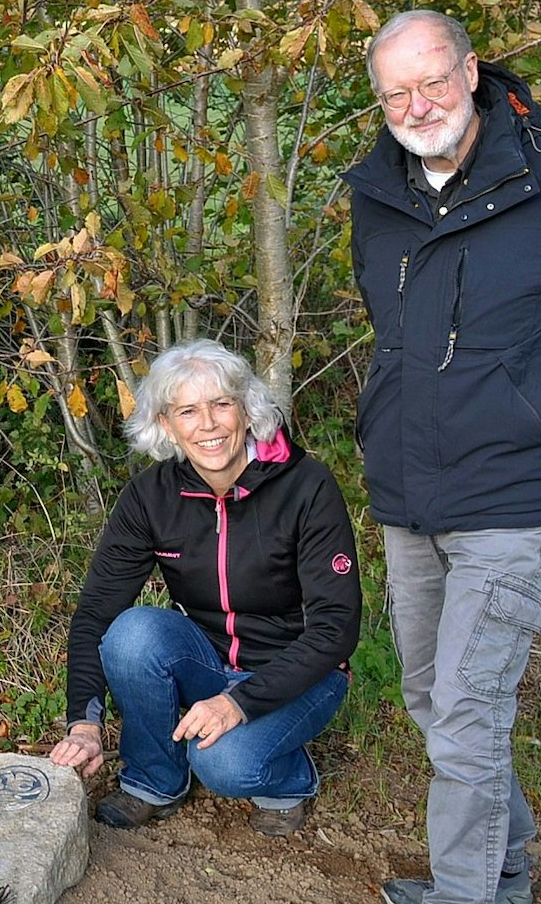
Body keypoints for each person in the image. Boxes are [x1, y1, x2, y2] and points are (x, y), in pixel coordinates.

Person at [342, 10, 541, 904]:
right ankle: (497, 871)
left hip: (510, 495)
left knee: (464, 716)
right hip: (410, 490)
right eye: (393, 92)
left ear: (470, 70)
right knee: (429, 696)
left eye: (432, 81)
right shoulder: (373, 195)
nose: (415, 106)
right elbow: (393, 335)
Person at [46, 340, 360, 839]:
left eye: (221, 404)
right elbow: (96, 615)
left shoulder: (307, 485)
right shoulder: (151, 496)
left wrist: (239, 704)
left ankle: (289, 781)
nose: (208, 425)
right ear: (167, 426)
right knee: (132, 634)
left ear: (247, 409)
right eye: (188, 411)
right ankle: (154, 780)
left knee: (224, 764)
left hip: (301, 672)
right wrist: (83, 722)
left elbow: (335, 629)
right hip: (209, 661)